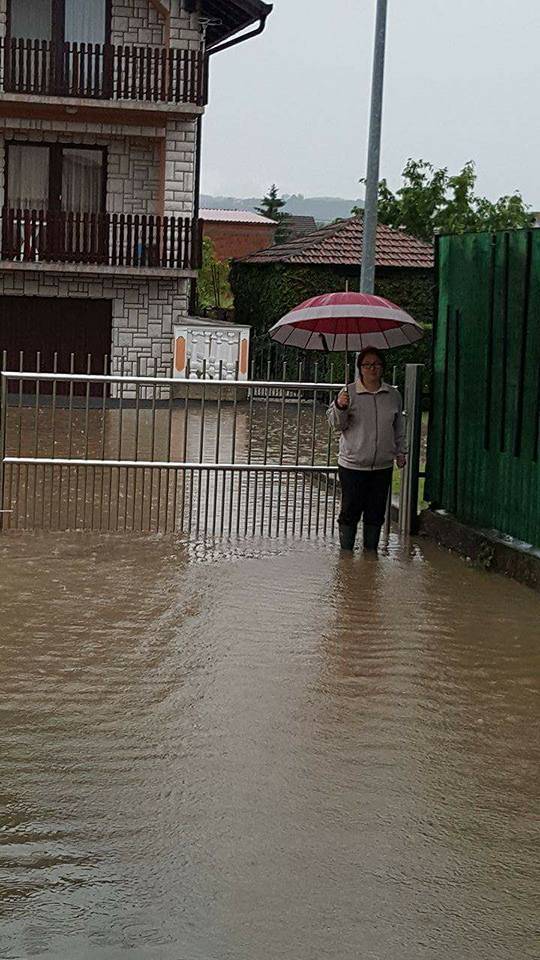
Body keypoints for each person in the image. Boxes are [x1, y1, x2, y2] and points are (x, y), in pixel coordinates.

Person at [327, 347, 407, 552]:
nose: (372, 369)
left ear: (383, 368)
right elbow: (336, 425)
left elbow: (398, 426)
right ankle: (345, 556)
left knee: (376, 512)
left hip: (382, 465)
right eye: (367, 365)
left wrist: (401, 451)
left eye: (377, 364)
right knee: (350, 511)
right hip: (353, 464)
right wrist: (339, 406)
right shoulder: (348, 392)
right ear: (360, 368)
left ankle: (370, 555)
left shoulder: (393, 395)